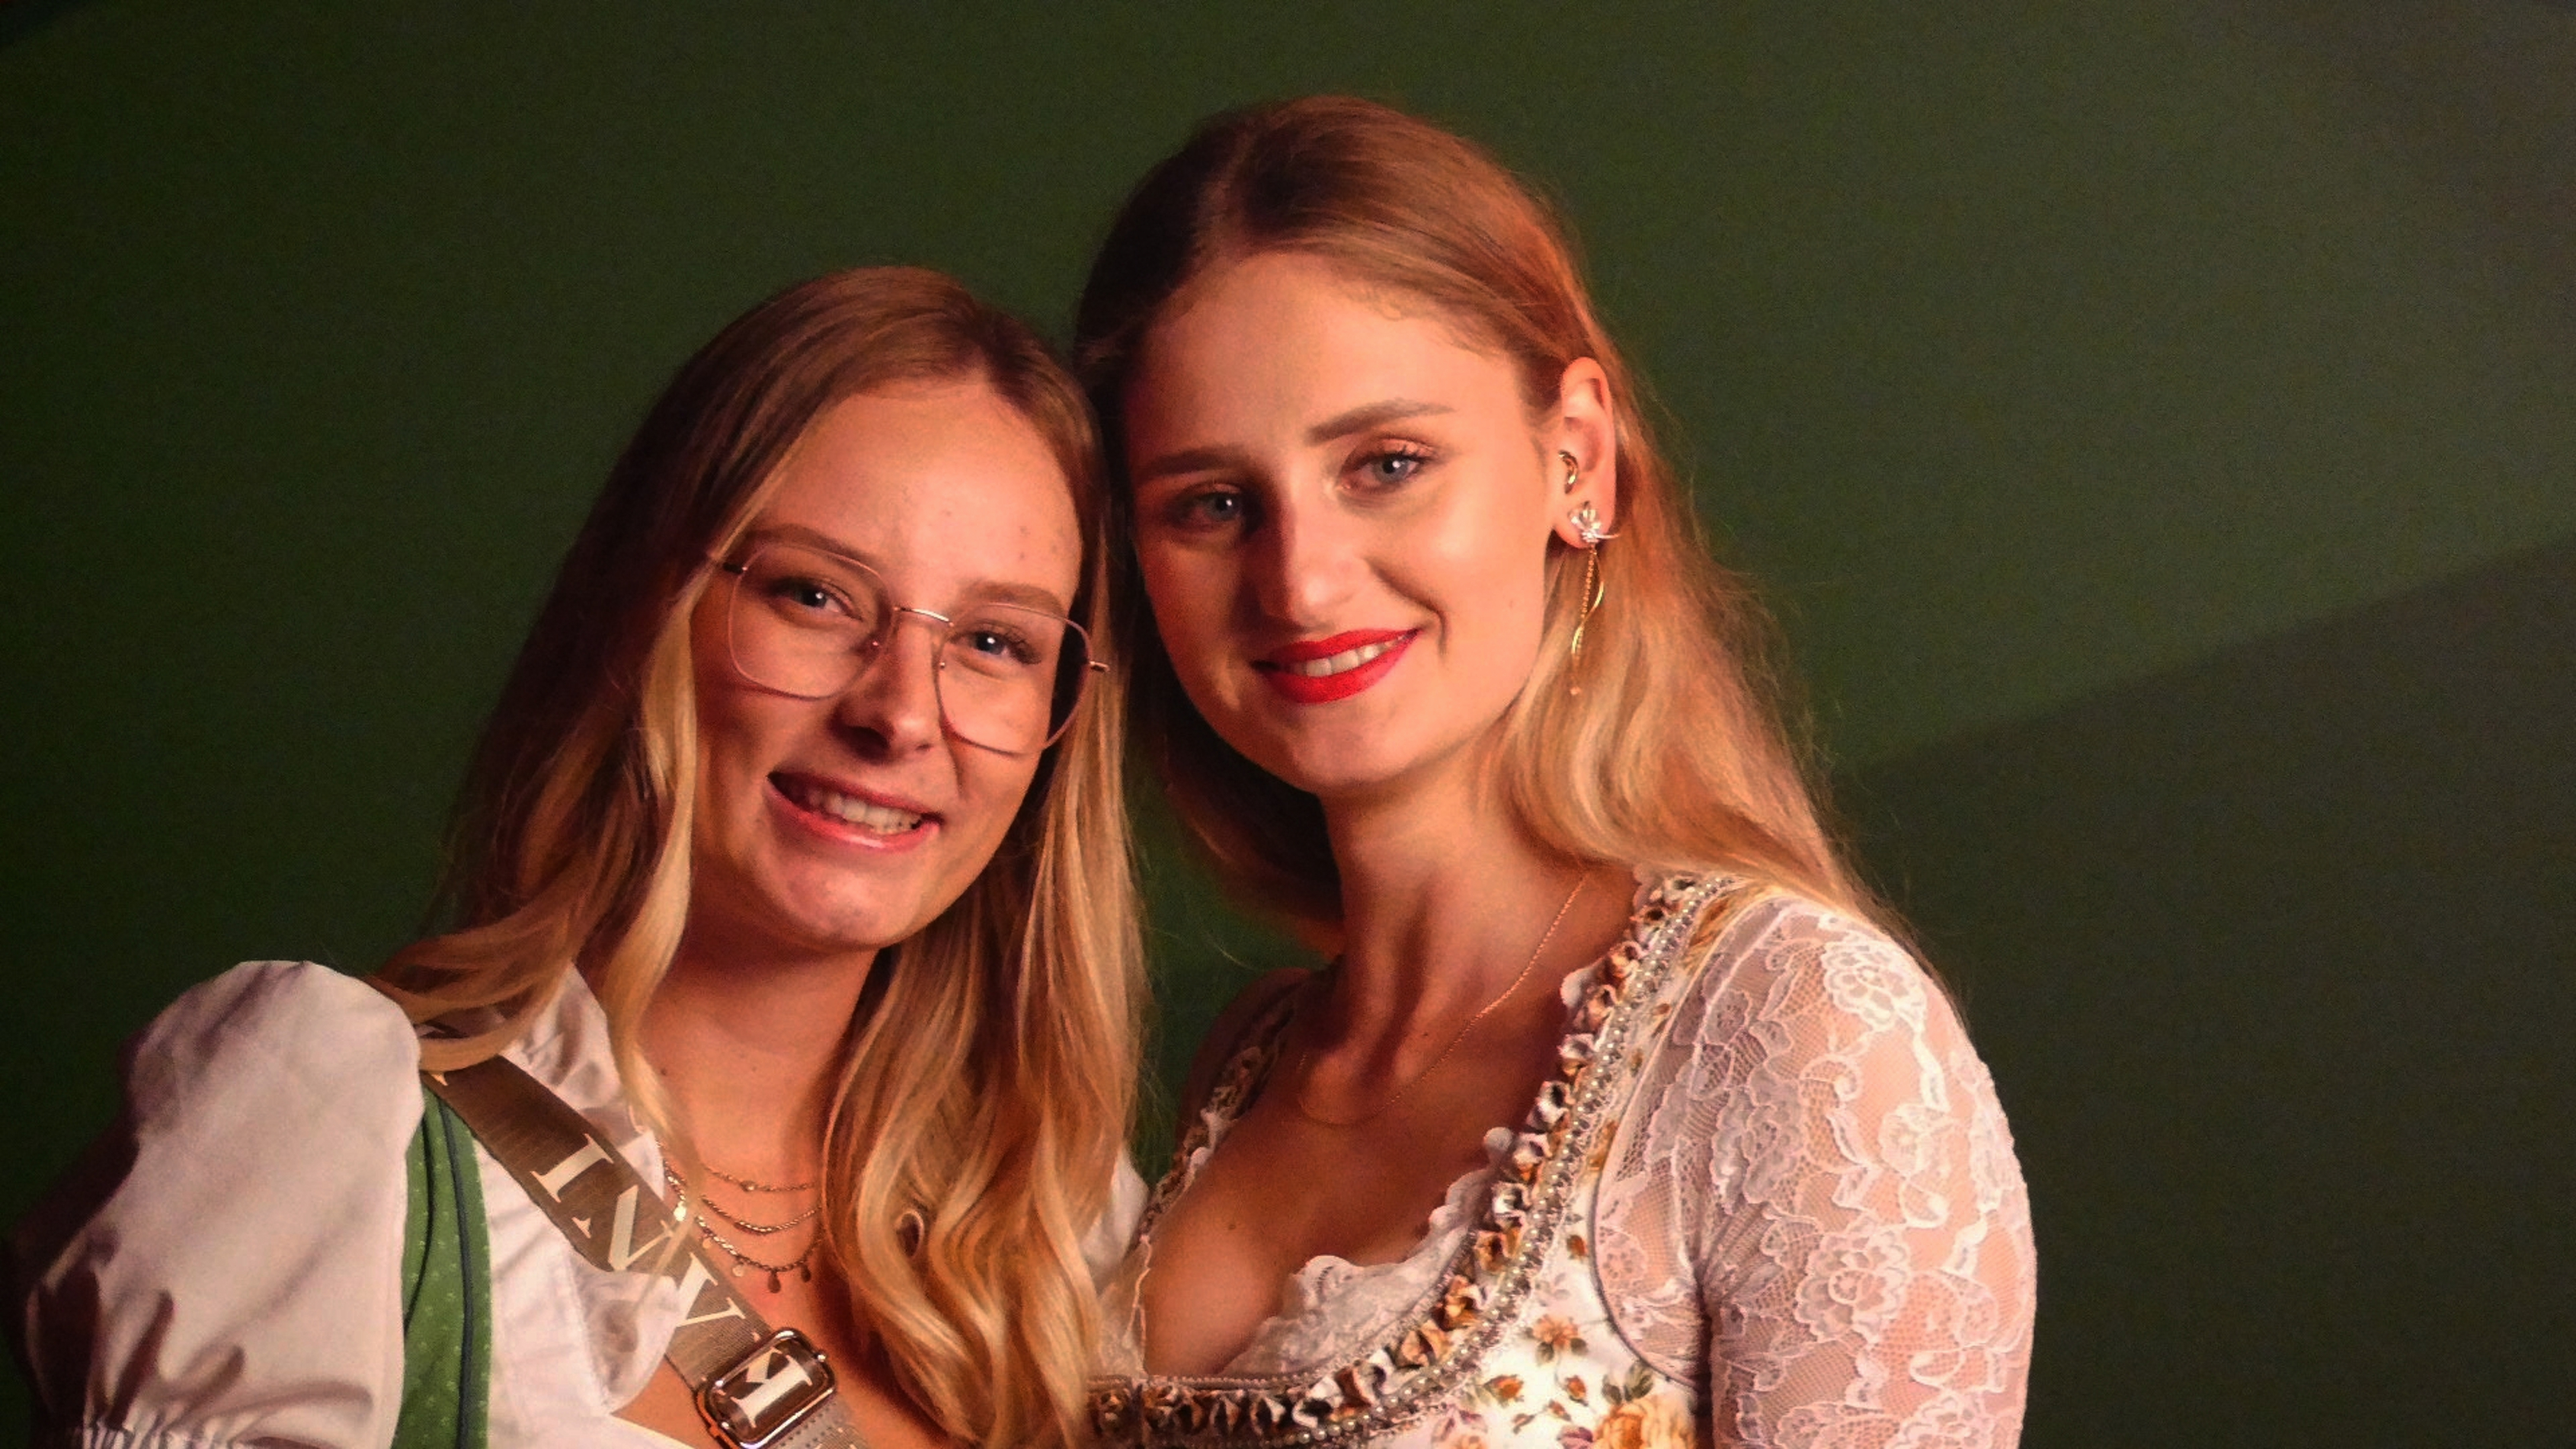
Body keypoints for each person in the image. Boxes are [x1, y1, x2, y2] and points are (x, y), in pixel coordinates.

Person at [11, 267, 1144, 1448]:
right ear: (649, 608)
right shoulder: (335, 1129)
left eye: (995, 641)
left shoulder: (1060, 1224)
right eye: (814, 594)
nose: (901, 712)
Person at [1073, 98, 2036, 1447]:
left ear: (1574, 457)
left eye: (1386, 464)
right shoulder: (1250, 1059)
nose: (1300, 581)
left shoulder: (1800, 1030)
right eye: (1212, 504)